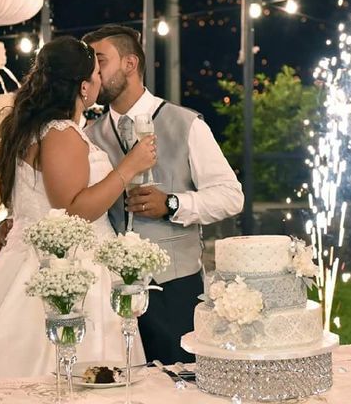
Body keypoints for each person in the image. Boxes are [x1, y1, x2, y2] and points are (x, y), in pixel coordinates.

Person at [0, 36, 156, 404]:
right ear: (83, 86)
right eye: (96, 73)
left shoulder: (35, 129)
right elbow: (72, 211)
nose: (99, 80)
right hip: (65, 270)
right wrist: (130, 168)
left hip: (30, 264)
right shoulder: (61, 132)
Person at [81, 25, 244, 364]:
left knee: (181, 387)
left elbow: (231, 195)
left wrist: (173, 204)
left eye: (100, 61)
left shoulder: (186, 123)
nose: (93, 72)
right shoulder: (89, 135)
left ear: (129, 63)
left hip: (175, 286)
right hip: (111, 291)